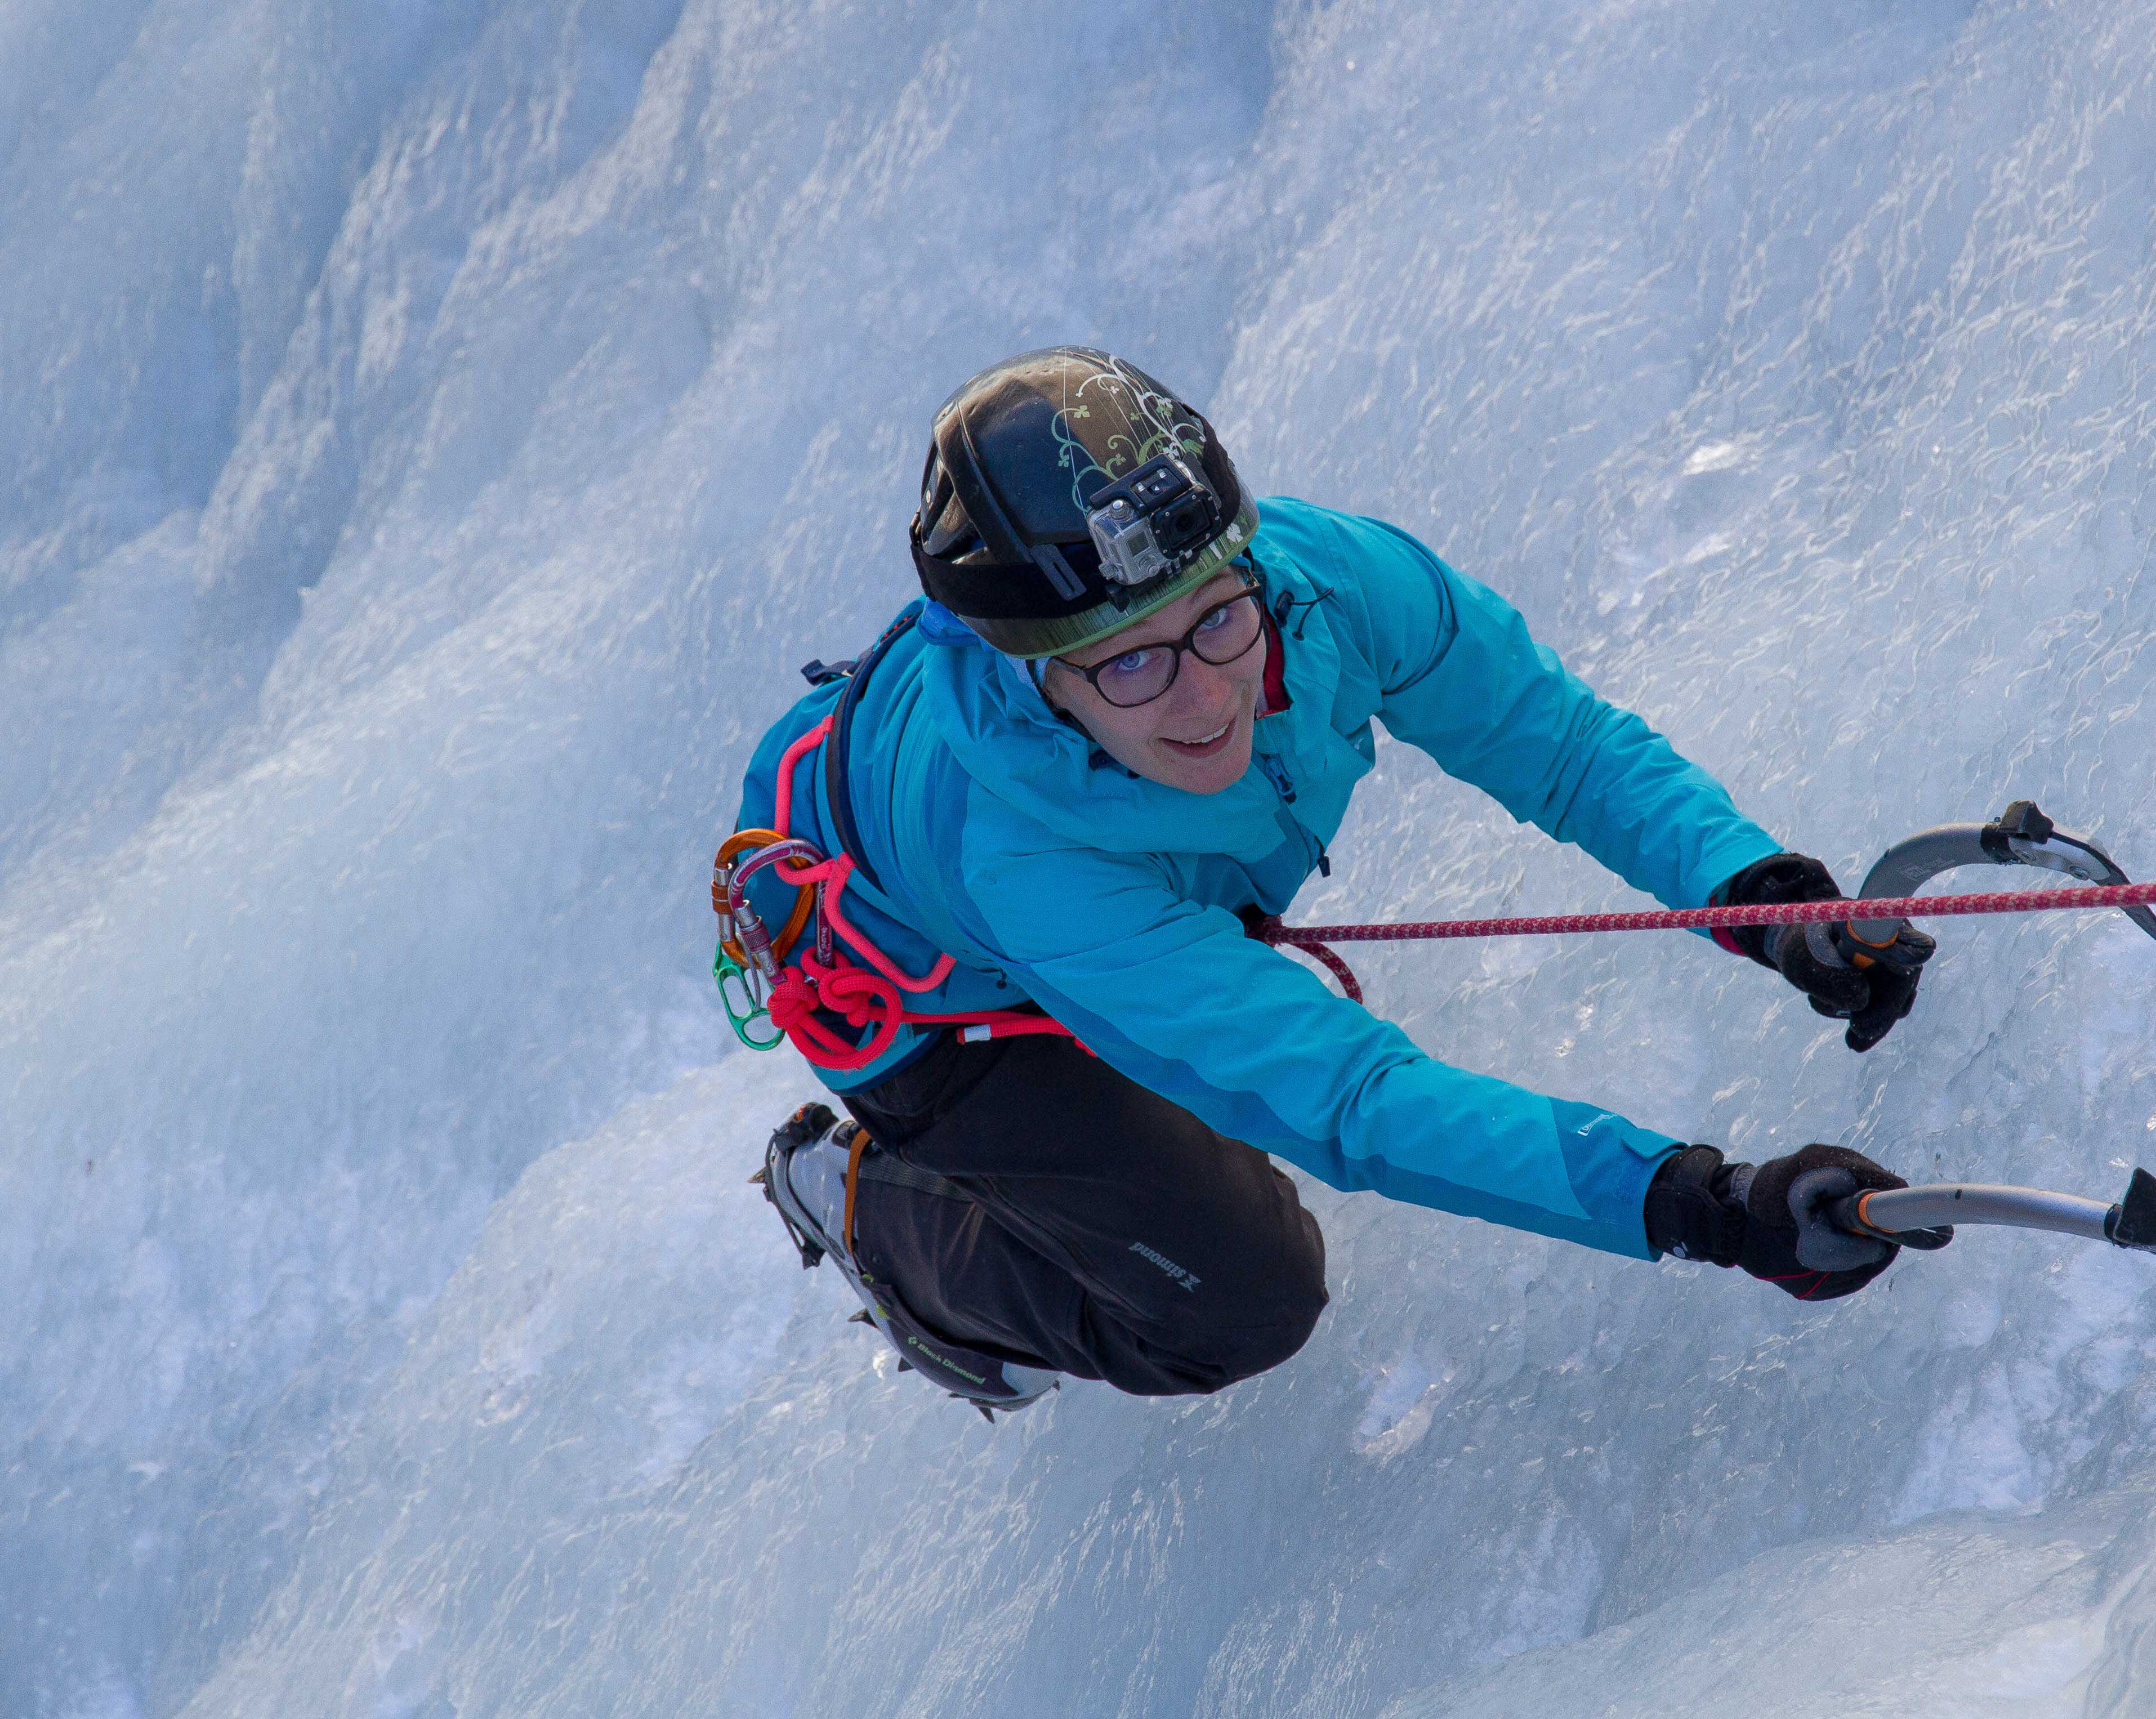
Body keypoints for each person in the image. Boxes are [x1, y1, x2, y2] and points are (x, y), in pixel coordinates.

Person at [735, 347, 1941, 1416]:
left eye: (1217, 618)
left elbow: (1559, 749)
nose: (1208, 695)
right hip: (908, 994)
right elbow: (1354, 1102)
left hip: (1117, 901)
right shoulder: (1028, 860)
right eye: (1134, 664)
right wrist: (1704, 1205)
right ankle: (872, 1215)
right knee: (1241, 1300)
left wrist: (1762, 897)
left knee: (1186, 1020)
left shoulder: (1330, 581)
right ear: (1034, 671)